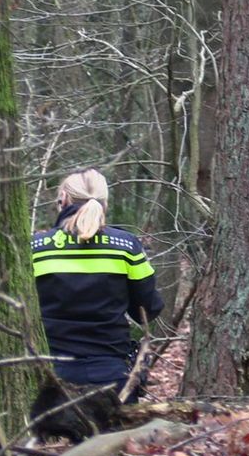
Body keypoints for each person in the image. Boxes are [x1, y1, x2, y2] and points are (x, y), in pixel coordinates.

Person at [31, 168, 164, 402]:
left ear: (63, 199)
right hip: (113, 376)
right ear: (105, 203)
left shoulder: (36, 247)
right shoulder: (126, 246)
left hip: (50, 377)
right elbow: (148, 309)